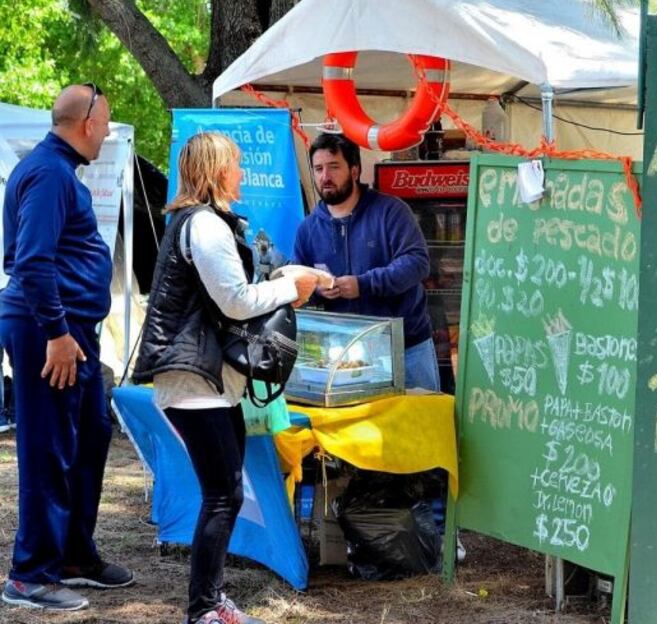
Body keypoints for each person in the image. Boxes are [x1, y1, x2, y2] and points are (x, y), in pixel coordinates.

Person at [131, 132, 316, 624]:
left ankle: (212, 600)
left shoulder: (202, 223)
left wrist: (277, 285)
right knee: (222, 495)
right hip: (194, 383)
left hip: (209, 383)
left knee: (225, 494)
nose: (242, 173)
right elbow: (235, 301)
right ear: (216, 171)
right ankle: (203, 609)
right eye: (235, 164)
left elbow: (226, 297)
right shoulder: (206, 226)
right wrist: (287, 287)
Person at [0, 83, 133, 611]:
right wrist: (56, 333)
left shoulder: (57, 170)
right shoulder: (50, 173)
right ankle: (30, 575)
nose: (106, 132)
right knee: (49, 446)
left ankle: (74, 555)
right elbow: (31, 261)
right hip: (48, 330)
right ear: (88, 124)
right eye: (105, 123)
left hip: (72, 330)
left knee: (91, 434)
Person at [293, 133, 439, 391]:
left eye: (334, 167)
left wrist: (364, 284)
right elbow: (299, 282)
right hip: (344, 353)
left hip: (406, 348)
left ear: (355, 170)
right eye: (318, 169)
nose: (325, 176)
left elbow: (417, 262)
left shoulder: (391, 211)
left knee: (419, 417)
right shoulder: (308, 229)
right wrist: (316, 289)